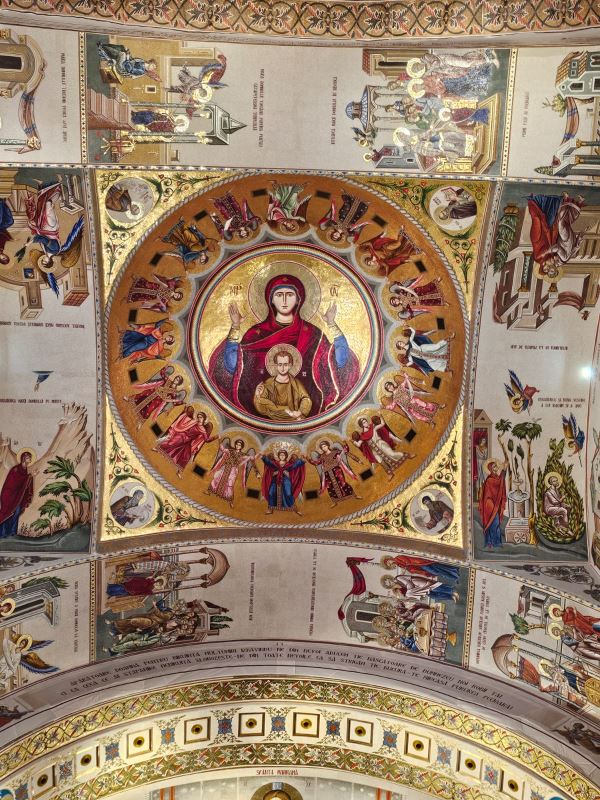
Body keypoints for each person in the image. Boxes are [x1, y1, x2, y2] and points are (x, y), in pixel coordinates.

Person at [209, 273, 360, 418]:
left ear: (298, 300)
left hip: (305, 405)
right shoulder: (255, 333)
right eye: (279, 295)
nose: (285, 300)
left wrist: (332, 324)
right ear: (271, 300)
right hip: (261, 406)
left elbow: (339, 361)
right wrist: (235, 326)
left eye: (290, 295)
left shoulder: (313, 333)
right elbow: (232, 365)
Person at [154, 407, 217, 477]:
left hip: (188, 442)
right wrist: (184, 413)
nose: (199, 418)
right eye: (198, 417)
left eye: (201, 417)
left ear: (204, 419)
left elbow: (206, 440)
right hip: (182, 436)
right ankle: (158, 449)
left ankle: (179, 472)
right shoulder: (194, 422)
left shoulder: (203, 430)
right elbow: (184, 425)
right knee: (171, 443)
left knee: (186, 456)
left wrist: (215, 437)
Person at [253, 347, 312, 421]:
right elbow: (262, 410)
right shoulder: (269, 383)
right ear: (276, 366)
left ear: (290, 365)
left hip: (294, 418)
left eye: (285, 364)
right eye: (280, 364)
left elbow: (306, 398)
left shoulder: (296, 383)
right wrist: (258, 395)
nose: (283, 368)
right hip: (273, 419)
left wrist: (300, 411)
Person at [206, 439, 258, 508]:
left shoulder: (243, 455)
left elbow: (252, 458)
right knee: (217, 478)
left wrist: (257, 455)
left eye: (239, 445)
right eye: (237, 444)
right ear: (235, 444)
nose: (238, 446)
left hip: (233, 471)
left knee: (230, 484)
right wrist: (219, 439)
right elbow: (222, 449)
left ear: (241, 446)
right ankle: (209, 491)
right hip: (225, 467)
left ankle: (230, 500)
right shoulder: (230, 451)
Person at [308, 440, 360, 506]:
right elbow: (316, 463)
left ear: (328, 446)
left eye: (324, 446)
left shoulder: (335, 452)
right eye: (322, 447)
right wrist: (307, 459)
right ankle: (334, 501)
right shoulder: (322, 456)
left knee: (342, 483)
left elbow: (345, 451)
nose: (324, 448)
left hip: (337, 470)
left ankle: (354, 495)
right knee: (330, 487)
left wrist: (345, 443)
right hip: (327, 473)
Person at [0, 451, 34, 539]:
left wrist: (29, 477)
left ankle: (12, 533)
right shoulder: (16, 469)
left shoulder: (24, 469)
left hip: (17, 497)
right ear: (23, 459)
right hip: (9, 496)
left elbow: (22, 484)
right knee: (8, 513)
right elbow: (14, 483)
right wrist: (29, 477)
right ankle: (3, 533)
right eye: (28, 458)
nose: (30, 459)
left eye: (30, 458)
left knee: (16, 513)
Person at [261, 449, 305, 515]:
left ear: (286, 456)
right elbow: (269, 462)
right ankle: (270, 509)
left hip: (286, 480)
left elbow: (295, 465)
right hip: (275, 480)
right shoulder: (275, 463)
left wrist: (302, 460)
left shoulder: (288, 464)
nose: (282, 456)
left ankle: (295, 509)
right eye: (280, 455)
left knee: (288, 494)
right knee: (271, 493)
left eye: (283, 455)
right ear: (278, 456)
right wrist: (264, 457)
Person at [479, 460, 507, 547]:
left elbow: (500, 481)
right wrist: (504, 470)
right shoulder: (490, 480)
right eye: (494, 466)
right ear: (491, 469)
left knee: (494, 523)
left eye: (496, 466)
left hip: (494, 504)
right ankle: (494, 543)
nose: (496, 467)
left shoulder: (496, 478)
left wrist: (504, 470)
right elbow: (499, 482)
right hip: (489, 505)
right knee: (494, 523)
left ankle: (491, 542)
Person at [0, 198, 14, 265]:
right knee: (10, 221)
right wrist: (10, 239)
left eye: (3, 258)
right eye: (6, 257)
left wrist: (9, 238)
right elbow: (3, 239)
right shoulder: (1, 250)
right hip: (1, 229)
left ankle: (0, 203)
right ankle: (3, 203)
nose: (4, 256)